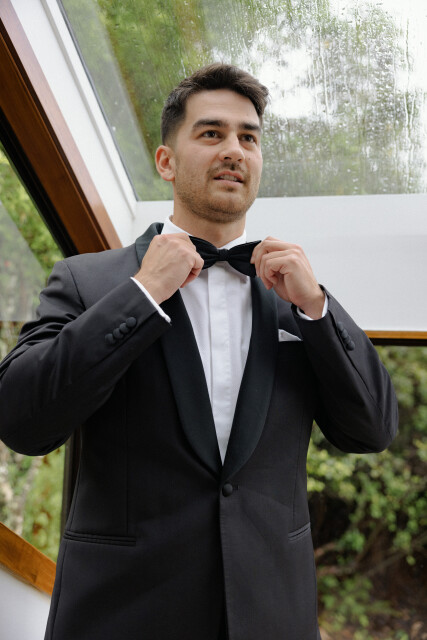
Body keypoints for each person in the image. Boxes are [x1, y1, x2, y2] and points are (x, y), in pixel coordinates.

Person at [0, 63, 398, 640]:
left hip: (271, 617)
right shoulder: (87, 281)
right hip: (121, 618)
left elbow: (373, 429)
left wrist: (315, 307)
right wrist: (142, 293)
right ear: (166, 162)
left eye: (248, 138)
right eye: (212, 133)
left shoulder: (295, 295)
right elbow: (20, 419)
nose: (234, 149)